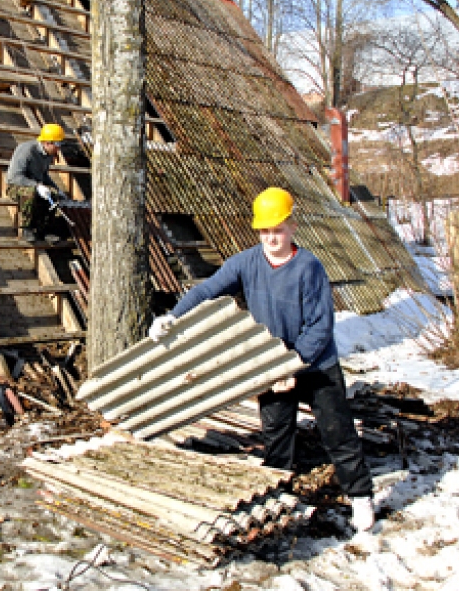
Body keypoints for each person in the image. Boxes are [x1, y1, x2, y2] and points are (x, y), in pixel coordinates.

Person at [148, 187, 375, 532]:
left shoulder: (309, 267)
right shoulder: (247, 262)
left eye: (278, 229)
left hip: (316, 364)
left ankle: (360, 496)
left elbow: (321, 326)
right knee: (277, 435)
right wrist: (174, 316)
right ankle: (280, 497)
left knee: (337, 431)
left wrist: (293, 365)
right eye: (265, 230)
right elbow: (207, 289)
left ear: (292, 226)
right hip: (272, 363)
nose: (271, 237)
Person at [6, 123, 67, 242]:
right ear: (47, 143)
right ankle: (26, 228)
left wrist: (57, 189)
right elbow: (14, 177)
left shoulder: (48, 155)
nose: (58, 148)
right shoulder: (26, 151)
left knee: (53, 195)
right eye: (57, 144)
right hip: (17, 186)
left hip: (36, 185)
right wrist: (37, 186)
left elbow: (44, 175)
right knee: (30, 193)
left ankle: (43, 230)